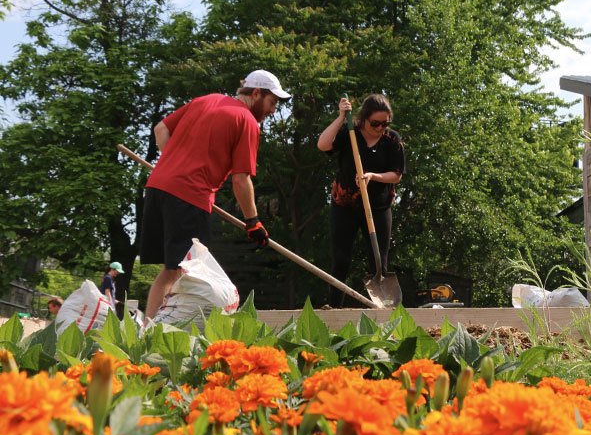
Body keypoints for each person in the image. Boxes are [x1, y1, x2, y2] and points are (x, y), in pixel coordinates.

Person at [140, 70, 291, 319]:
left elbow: (160, 130)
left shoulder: (205, 100)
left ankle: (148, 330)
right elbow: (241, 180)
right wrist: (253, 222)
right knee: (186, 272)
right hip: (189, 196)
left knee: (172, 271)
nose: (273, 110)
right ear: (256, 94)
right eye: (272, 102)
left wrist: (174, 162)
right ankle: (162, 334)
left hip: (158, 187)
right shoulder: (247, 121)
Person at [317, 93, 405, 307]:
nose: (380, 128)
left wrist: (373, 176)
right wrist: (340, 117)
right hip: (344, 205)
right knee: (341, 258)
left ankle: (383, 308)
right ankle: (335, 306)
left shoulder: (392, 139)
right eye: (375, 123)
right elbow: (323, 145)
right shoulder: (350, 133)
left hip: (378, 206)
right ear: (363, 119)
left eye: (385, 123)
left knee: (378, 260)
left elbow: (397, 174)